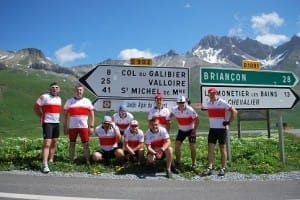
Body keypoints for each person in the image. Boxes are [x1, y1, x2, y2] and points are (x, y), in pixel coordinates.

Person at [201, 87, 237, 176]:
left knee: (222, 148)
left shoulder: (222, 102)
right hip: (212, 129)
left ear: (217, 93)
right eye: (210, 93)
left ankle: (223, 168)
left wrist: (229, 122)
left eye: (213, 93)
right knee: (210, 149)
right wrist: (189, 104)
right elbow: (200, 106)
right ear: (208, 94)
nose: (212, 95)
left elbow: (234, 111)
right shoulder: (208, 103)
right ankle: (209, 168)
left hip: (222, 129)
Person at [33, 82, 62, 173]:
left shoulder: (59, 99)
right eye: (53, 87)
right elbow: (36, 107)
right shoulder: (44, 97)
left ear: (59, 90)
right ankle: (45, 164)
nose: (54, 89)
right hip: (47, 123)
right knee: (47, 143)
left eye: (56, 87)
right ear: (50, 89)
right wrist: (41, 115)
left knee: (54, 142)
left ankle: (51, 160)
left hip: (56, 123)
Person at [63, 84, 95, 165]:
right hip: (72, 127)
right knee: (72, 144)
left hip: (84, 127)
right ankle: (71, 160)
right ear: (74, 91)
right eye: (77, 90)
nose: (79, 91)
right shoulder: (69, 101)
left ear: (83, 91)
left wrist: (91, 126)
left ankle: (88, 161)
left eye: (80, 90)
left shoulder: (87, 101)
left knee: (86, 144)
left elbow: (92, 114)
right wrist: (65, 127)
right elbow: (65, 115)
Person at [170, 95, 199, 169]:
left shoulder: (190, 110)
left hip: (190, 130)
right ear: (177, 103)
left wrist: (194, 130)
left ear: (185, 102)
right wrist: (168, 119)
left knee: (192, 146)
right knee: (177, 145)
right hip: (181, 130)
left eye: (183, 102)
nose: (182, 104)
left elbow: (197, 120)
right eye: (180, 103)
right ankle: (178, 161)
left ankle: (194, 163)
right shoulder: (174, 109)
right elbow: (170, 115)